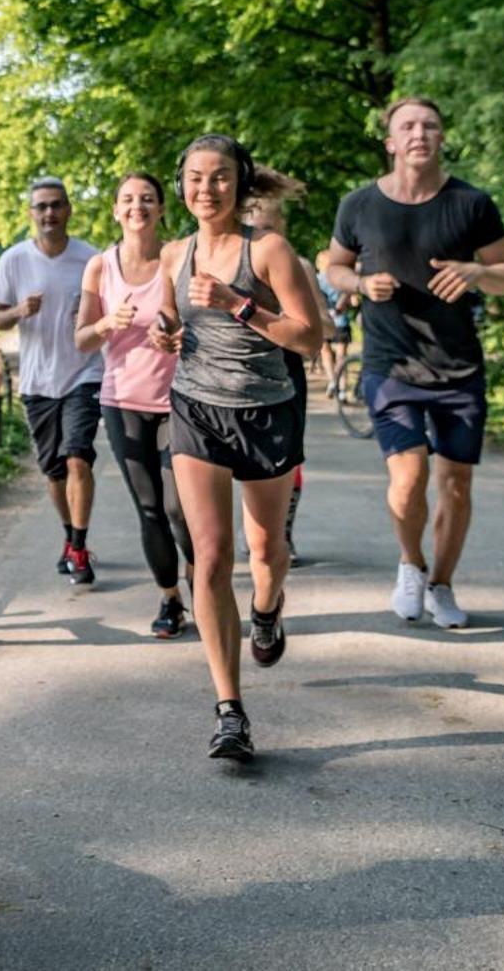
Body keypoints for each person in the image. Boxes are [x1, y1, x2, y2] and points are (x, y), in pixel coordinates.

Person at [152, 136, 323, 760]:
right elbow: (173, 326)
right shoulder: (176, 253)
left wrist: (237, 302)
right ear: (182, 185)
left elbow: (308, 339)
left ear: (240, 183)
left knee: (265, 549)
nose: (207, 189)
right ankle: (230, 711)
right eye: (196, 178)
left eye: (220, 178)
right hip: (196, 410)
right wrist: (164, 333)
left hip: (266, 412)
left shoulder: (270, 250)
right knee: (211, 554)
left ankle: (269, 608)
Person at [323, 98, 504, 630]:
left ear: (441, 138)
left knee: (455, 483)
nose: (419, 133)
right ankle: (411, 564)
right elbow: (333, 266)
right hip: (391, 365)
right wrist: (361, 284)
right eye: (407, 126)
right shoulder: (359, 204)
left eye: (430, 125)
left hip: (458, 367)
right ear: (390, 142)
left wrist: (477, 273)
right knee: (409, 479)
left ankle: (442, 585)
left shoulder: (472, 204)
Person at [74, 172, 193, 638]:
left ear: (162, 208)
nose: (137, 207)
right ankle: (170, 599)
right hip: (122, 403)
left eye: (147, 199)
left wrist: (172, 332)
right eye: (127, 200)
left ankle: (199, 579)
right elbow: (82, 340)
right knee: (150, 508)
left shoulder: (176, 257)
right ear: (115, 210)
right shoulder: (100, 268)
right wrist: (105, 323)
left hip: (180, 400)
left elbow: (184, 318)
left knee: (180, 508)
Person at [0, 177, 104, 585]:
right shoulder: (14, 260)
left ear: (69, 209)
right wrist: (19, 310)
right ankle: (70, 536)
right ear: (31, 213)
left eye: (56, 205)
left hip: (85, 373)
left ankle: (81, 545)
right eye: (42, 207)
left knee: (77, 456)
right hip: (38, 381)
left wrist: (91, 320)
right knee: (53, 471)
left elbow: (110, 315)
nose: (49, 214)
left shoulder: (91, 260)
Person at [244, 186, 318, 567]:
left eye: (269, 227)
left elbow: (316, 329)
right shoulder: (231, 264)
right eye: (254, 227)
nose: (262, 235)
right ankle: (253, 529)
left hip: (286, 372)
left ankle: (282, 531)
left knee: (286, 460)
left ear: (282, 227)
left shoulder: (300, 266)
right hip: (241, 372)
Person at [313, 251, 357, 399]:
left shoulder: (316, 280)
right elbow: (352, 301)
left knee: (325, 353)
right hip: (341, 321)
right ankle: (343, 389)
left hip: (322, 321)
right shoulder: (339, 279)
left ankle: (332, 381)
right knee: (341, 356)